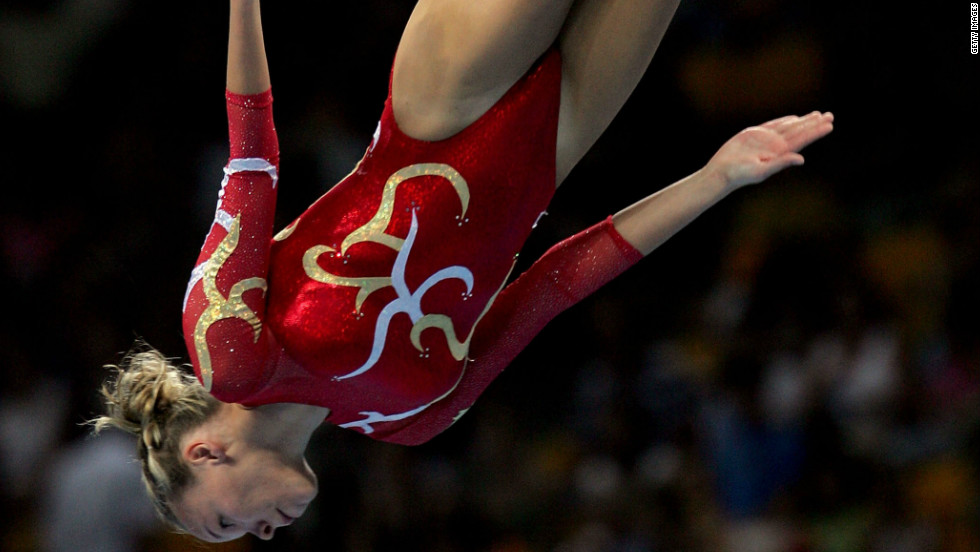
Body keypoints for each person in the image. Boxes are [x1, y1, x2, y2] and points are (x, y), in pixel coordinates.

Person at [93, 0, 833, 543]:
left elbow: (253, 162)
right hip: (554, 148)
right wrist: (715, 178)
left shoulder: (232, 355)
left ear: (206, 451)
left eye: (226, 519)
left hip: (441, 103)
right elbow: (552, 286)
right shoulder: (414, 420)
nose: (261, 532)